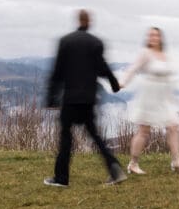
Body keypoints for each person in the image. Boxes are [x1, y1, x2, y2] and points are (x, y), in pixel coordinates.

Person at [44, 10, 127, 187]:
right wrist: (114, 85)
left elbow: (57, 72)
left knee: (66, 137)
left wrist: (51, 98)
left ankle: (61, 178)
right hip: (88, 99)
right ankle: (114, 168)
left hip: (71, 98)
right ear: (89, 22)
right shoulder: (95, 43)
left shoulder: (66, 41)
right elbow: (103, 68)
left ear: (78, 21)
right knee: (95, 136)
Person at [119, 27, 179, 174]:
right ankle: (133, 164)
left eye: (156, 35)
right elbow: (133, 69)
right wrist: (121, 83)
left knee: (174, 127)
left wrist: (172, 97)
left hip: (164, 97)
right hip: (149, 96)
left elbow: (169, 77)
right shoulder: (146, 53)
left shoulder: (164, 55)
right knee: (144, 130)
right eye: (150, 35)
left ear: (160, 38)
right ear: (148, 38)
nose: (153, 37)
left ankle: (176, 161)